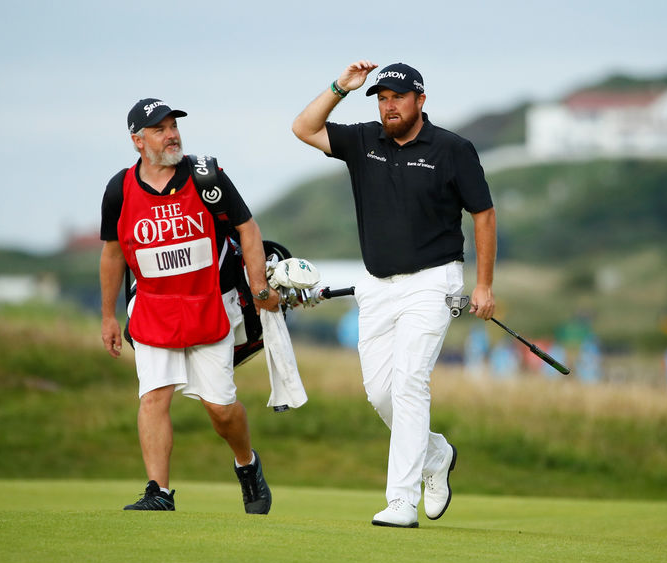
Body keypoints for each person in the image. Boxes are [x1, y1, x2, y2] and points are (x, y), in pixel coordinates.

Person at [292, 61, 497, 528]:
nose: (389, 105)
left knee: (408, 384)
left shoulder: (452, 149)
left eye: (397, 97)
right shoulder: (365, 141)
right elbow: (304, 127)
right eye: (382, 98)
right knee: (381, 393)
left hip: (434, 281)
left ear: (420, 100)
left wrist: (483, 284)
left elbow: (483, 214)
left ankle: (400, 501)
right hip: (377, 286)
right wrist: (340, 87)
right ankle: (436, 453)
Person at [100, 98, 279, 514]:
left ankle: (247, 465)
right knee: (154, 397)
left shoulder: (206, 176)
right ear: (137, 141)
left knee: (220, 408)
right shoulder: (119, 189)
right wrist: (108, 315)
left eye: (173, 125)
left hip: (209, 306)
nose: (172, 134)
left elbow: (247, 229)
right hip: (152, 309)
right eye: (160, 129)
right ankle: (158, 492)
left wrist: (258, 286)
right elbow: (112, 254)